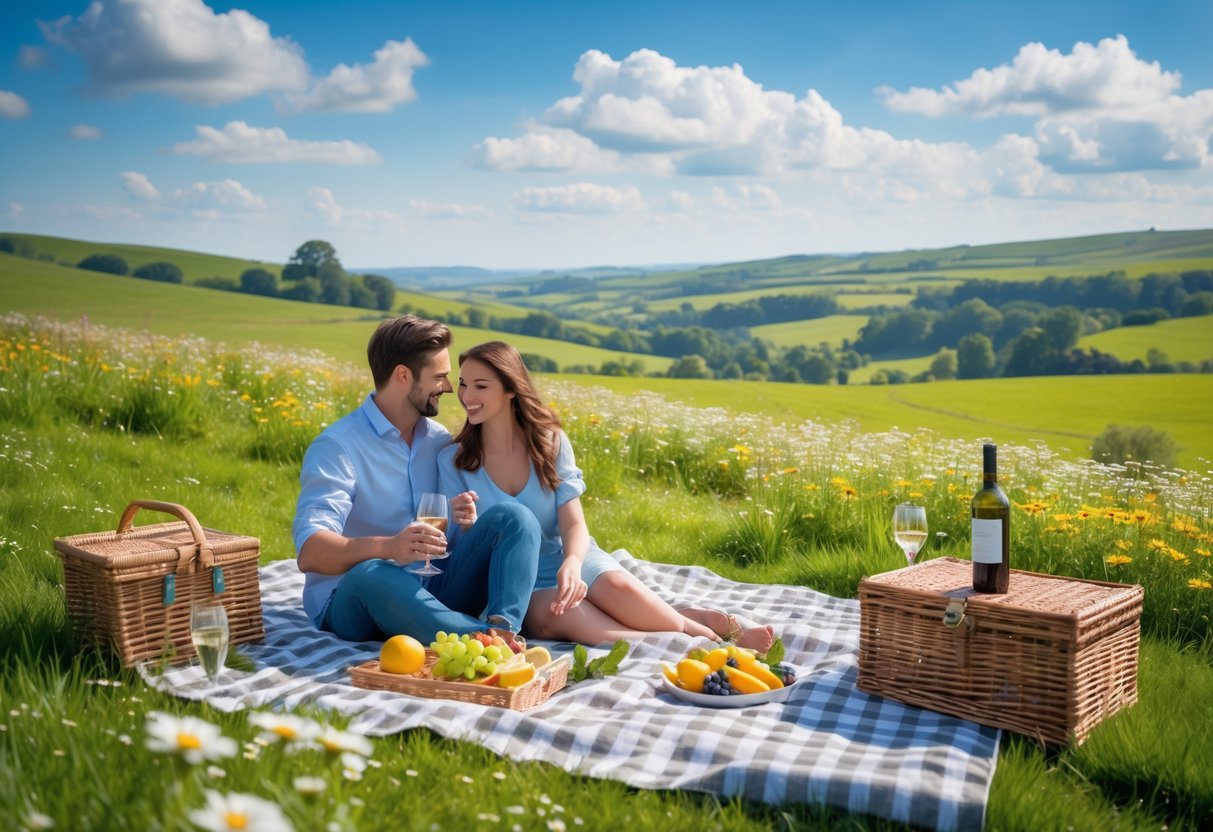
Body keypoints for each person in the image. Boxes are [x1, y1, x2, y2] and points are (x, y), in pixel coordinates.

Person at [437, 340, 774, 650]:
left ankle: (707, 631)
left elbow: (573, 523)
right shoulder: (456, 459)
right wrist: (466, 525)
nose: (467, 395)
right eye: (464, 384)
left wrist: (572, 563)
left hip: (570, 556)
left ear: (511, 389)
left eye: (481, 386)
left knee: (619, 591)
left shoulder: (549, 442)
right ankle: (695, 641)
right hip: (520, 579)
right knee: (573, 624)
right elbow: (463, 552)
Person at [292, 316, 540, 645]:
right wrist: (390, 547)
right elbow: (310, 552)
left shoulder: (438, 443)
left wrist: (461, 521)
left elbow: (442, 544)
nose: (451, 388)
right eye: (439, 377)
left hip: (429, 592)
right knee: (373, 572)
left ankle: (503, 629)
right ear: (403, 376)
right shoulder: (338, 447)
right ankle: (483, 642)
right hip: (353, 600)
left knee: (515, 517)